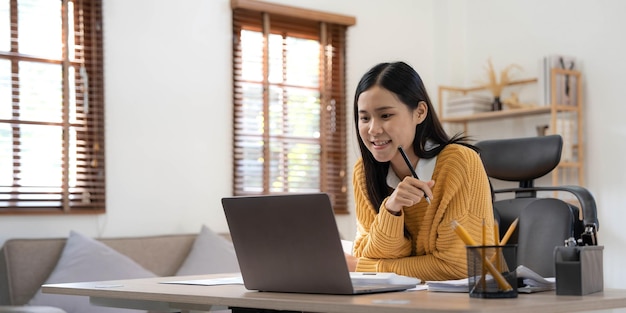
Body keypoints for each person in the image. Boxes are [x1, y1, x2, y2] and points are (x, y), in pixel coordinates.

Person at [346, 61, 495, 281]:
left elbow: (460, 267)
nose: (373, 130)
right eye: (365, 117)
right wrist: (391, 209)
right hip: (398, 300)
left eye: (385, 115)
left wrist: (365, 267)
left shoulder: (459, 163)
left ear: (420, 112)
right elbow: (367, 252)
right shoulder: (363, 172)